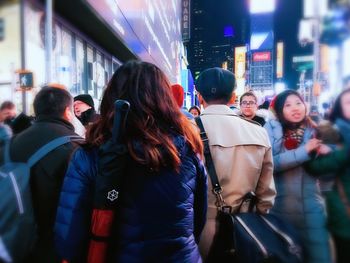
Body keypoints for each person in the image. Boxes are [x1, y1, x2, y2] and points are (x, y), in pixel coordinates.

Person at [54, 60, 207, 262]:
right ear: (164, 99)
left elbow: (69, 237)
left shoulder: (91, 154)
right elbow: (198, 218)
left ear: (112, 97)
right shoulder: (187, 149)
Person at [194, 67, 276, 260]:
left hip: (196, 231)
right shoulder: (258, 132)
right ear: (233, 97)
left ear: (199, 97)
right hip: (243, 229)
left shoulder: (186, 130)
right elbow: (266, 194)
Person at [0, 86, 81, 263]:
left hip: (17, 243)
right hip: (56, 248)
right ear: (67, 112)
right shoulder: (77, 148)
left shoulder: (10, 144)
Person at [264, 89, 331, 263]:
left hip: (313, 211)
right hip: (279, 212)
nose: (295, 108)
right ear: (279, 110)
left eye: (298, 103)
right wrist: (305, 151)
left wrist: (328, 156)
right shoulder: (271, 130)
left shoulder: (316, 130)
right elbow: (270, 164)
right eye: (288, 105)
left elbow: (328, 176)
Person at [305, 88, 350, 263]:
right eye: (348, 102)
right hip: (344, 213)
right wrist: (342, 153)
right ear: (339, 107)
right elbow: (315, 166)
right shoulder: (331, 133)